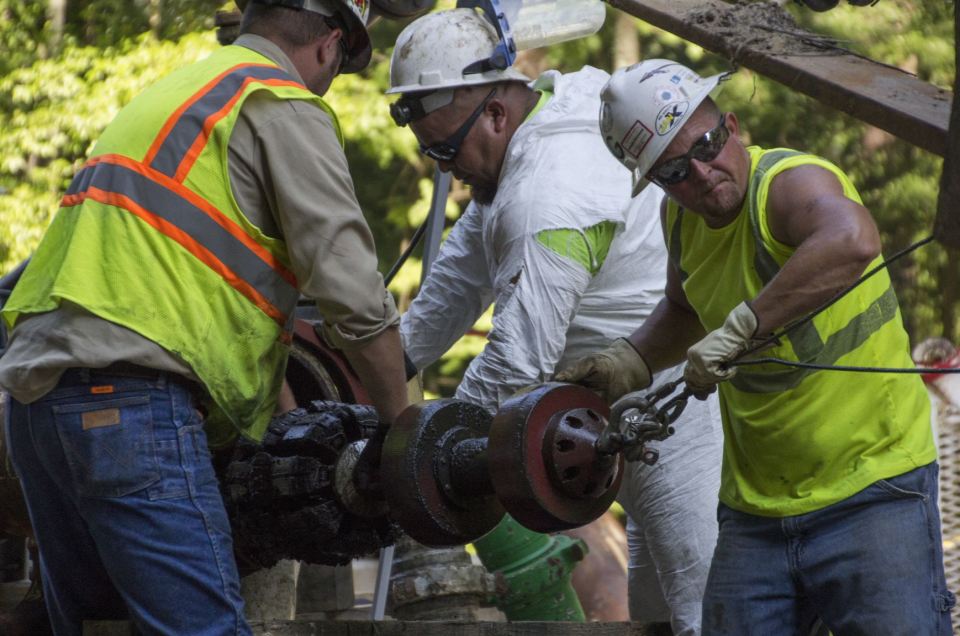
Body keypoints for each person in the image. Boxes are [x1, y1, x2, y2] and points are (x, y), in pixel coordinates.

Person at [0, 0, 409, 633]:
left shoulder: (177, 94)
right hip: (130, 410)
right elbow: (354, 298)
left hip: (39, 411)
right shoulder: (280, 102)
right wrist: (403, 433)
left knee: (99, 629)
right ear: (330, 45)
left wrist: (282, 428)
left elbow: (198, 295)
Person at [558, 58, 955, 635]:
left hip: (874, 490)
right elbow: (684, 307)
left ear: (733, 127)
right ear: (655, 184)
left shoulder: (789, 184)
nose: (702, 172)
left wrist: (742, 327)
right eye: (673, 170)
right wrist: (633, 359)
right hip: (756, 512)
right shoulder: (680, 221)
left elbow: (851, 239)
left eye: (708, 144)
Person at [387, 10, 723, 634]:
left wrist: (426, 459)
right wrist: (393, 363)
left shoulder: (550, 187)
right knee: (655, 613)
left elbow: (518, 359)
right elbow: (467, 266)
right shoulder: (543, 112)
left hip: (676, 404)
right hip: (614, 406)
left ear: (493, 114)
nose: (439, 167)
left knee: (701, 603)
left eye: (444, 149)